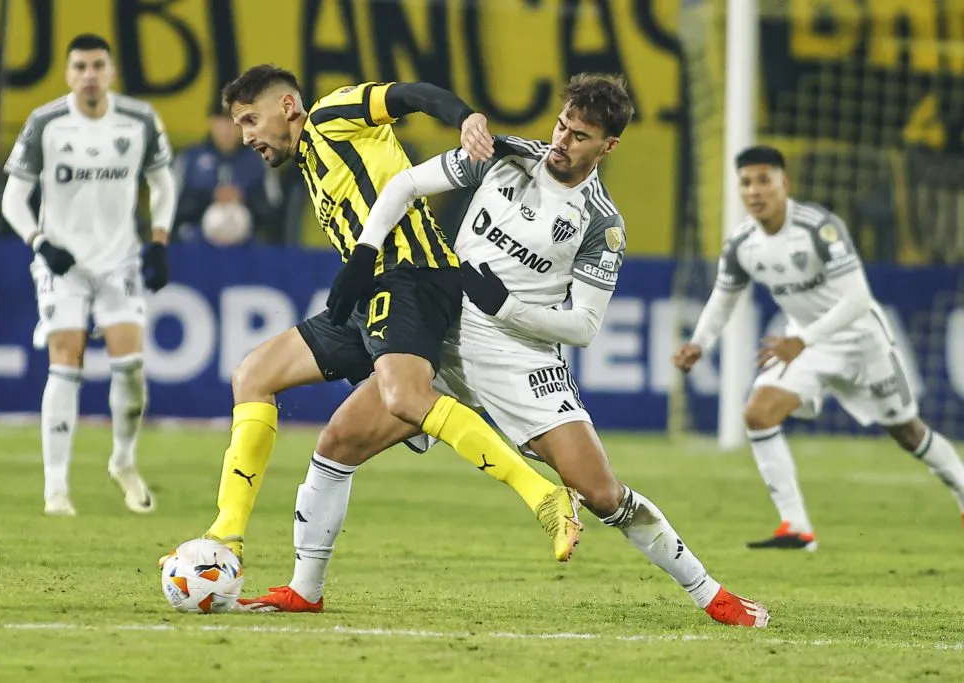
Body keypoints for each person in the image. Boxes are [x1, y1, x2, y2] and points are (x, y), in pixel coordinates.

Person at [236, 74, 770, 628]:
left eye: (580, 136)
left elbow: (584, 327)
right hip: (443, 326)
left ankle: (712, 594)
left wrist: (506, 307)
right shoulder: (504, 155)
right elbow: (405, 186)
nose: (562, 141)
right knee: (338, 443)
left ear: (608, 146)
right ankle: (305, 589)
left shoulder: (601, 223)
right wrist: (367, 251)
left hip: (522, 356)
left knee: (601, 493)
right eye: (561, 125)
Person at [165, 65, 581, 567]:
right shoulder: (309, 161)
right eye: (239, 125)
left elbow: (410, 93)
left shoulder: (332, 115)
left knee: (406, 398)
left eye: (251, 120)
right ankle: (226, 535)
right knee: (253, 375)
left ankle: (545, 497)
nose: (246, 135)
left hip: (414, 276)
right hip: (371, 291)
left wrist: (465, 117)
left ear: (287, 106)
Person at [672, 145, 964, 551]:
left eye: (764, 180)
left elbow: (858, 299)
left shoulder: (818, 228)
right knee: (758, 413)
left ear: (784, 183)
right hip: (806, 343)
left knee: (907, 431)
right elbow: (723, 299)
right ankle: (797, 528)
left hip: (861, 340)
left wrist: (802, 340)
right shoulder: (741, 244)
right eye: (746, 183)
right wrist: (699, 343)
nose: (755, 191)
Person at [1, 33, 176, 517]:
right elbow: (13, 198)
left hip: (119, 260)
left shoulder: (139, 120)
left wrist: (159, 241)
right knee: (66, 360)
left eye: (98, 65)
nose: (90, 75)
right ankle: (56, 488)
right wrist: (40, 242)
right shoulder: (46, 122)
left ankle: (123, 461)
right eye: (80, 66)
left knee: (131, 365)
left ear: (112, 71)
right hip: (63, 263)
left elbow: (163, 183)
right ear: (68, 74)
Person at [173, 103, 277, 245]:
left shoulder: (260, 160)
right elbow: (171, 208)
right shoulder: (189, 158)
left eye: (234, 122)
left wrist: (244, 199)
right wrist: (209, 198)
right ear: (211, 122)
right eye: (221, 121)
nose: (227, 129)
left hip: (247, 246)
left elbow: (273, 209)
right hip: (195, 243)